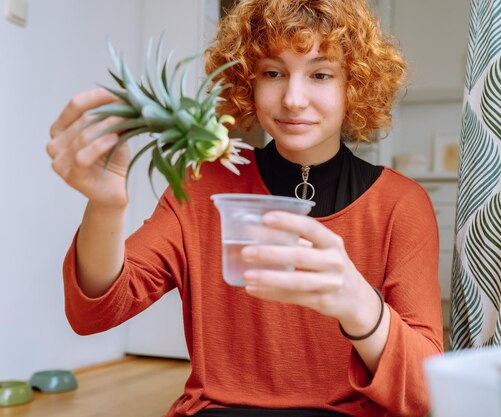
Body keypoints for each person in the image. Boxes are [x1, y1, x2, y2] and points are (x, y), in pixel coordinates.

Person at [46, 0, 443, 416]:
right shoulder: (204, 184)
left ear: (355, 85)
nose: (292, 99)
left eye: (321, 74)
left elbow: (425, 393)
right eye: (273, 72)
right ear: (247, 81)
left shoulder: (401, 204)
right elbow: (93, 312)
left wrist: (358, 304)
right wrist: (106, 205)